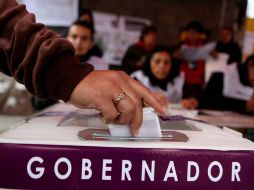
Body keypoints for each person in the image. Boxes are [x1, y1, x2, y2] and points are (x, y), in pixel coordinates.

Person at [0, 0, 166, 136]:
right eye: (74, 36)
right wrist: (66, 77)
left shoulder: (103, 69)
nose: (78, 42)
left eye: (84, 38)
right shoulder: (48, 67)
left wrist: (136, 97)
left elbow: (122, 89)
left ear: (92, 43)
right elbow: (36, 102)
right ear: (65, 38)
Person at [131, 46, 198, 109]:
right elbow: (126, 97)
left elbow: (193, 96)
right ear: (149, 63)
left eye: (166, 63)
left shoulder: (178, 79)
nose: (162, 66)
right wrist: (145, 98)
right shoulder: (138, 78)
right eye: (157, 61)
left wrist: (192, 101)